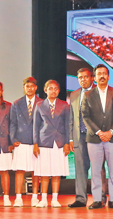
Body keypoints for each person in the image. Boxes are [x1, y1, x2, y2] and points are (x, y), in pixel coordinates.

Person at [82, 64, 113, 209]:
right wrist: (99, 132)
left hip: (112, 138)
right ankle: (97, 199)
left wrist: (111, 132)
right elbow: (85, 116)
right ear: (95, 77)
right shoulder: (88, 95)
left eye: (104, 73)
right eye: (99, 74)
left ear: (109, 76)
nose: (102, 76)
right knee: (96, 170)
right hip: (94, 139)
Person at [33, 80, 71, 208]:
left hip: (59, 142)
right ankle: (43, 199)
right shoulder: (39, 105)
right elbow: (36, 126)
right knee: (44, 172)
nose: (53, 91)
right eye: (50, 88)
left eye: (55, 88)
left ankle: (55, 199)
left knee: (56, 171)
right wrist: (35, 144)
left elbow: (67, 125)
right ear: (45, 90)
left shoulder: (65, 105)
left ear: (59, 91)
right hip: (44, 142)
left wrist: (67, 143)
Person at [11, 77, 42, 207]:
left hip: (36, 142)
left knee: (36, 171)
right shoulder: (17, 103)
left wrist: (41, 141)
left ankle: (35, 197)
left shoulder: (41, 103)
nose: (29, 88)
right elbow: (12, 123)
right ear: (24, 88)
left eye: (32, 86)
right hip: (21, 141)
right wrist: (13, 139)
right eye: (27, 86)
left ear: (36, 88)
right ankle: (18, 197)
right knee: (20, 170)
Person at [69, 68, 97, 208]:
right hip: (79, 135)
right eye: (80, 77)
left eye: (86, 77)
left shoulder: (99, 92)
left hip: (96, 136)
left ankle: (100, 198)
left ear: (92, 78)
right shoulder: (74, 94)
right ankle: (80, 198)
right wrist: (71, 139)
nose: (83, 80)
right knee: (80, 168)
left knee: (98, 169)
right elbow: (71, 118)